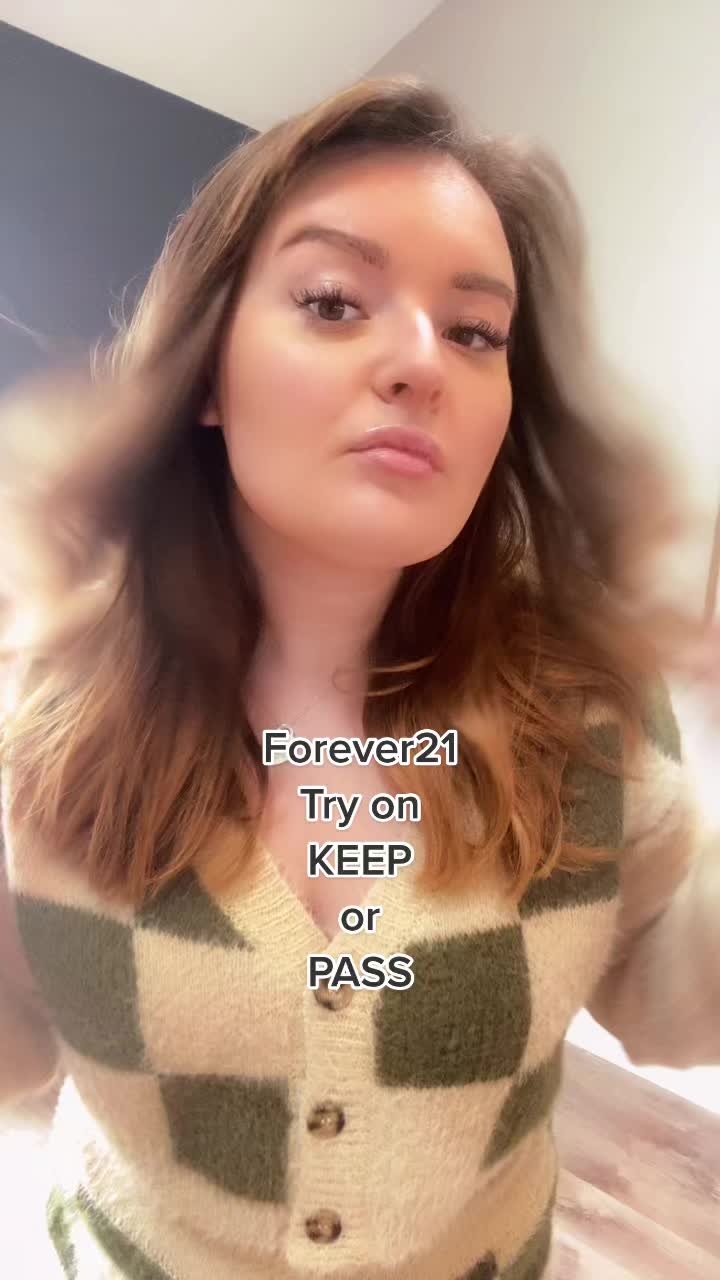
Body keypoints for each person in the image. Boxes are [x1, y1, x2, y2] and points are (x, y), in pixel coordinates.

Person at [0, 73, 718, 1280]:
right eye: (334, 302)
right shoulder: (39, 704)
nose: (421, 363)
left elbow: (675, 992)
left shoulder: (589, 706)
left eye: (476, 332)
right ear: (208, 373)